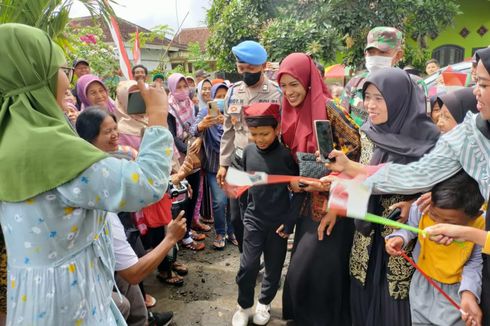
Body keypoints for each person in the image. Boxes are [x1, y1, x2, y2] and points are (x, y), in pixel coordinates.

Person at [0, 23, 174, 325]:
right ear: (33, 73)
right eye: (58, 66)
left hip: (31, 297)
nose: (66, 75)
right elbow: (145, 185)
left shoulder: (9, 137)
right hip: (71, 301)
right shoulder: (51, 148)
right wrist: (158, 116)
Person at [319, 47, 490, 325]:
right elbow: (390, 179)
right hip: (370, 245)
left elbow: (447, 191)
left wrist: (421, 202)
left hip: (410, 255)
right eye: (367, 98)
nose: (370, 105)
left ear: (399, 100)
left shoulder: (432, 141)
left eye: (379, 98)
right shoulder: (368, 136)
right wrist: (343, 187)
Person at [276, 53, 360, 326]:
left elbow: (359, 155)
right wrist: (291, 180)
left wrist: (337, 201)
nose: (289, 92)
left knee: (322, 273)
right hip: (304, 206)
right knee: (304, 272)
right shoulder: (287, 111)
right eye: (284, 85)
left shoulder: (330, 108)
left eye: (294, 84)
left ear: (308, 81)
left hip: (335, 207)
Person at [232, 103, 301, 326]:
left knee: (273, 266)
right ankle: (243, 306)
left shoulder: (286, 156)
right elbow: (243, 183)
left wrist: (290, 220)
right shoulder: (249, 151)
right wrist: (244, 211)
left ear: (277, 129)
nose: (259, 139)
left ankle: (264, 302)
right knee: (248, 265)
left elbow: (299, 190)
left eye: (265, 134)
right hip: (254, 218)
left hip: (278, 222)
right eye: (254, 134)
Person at [385, 171, 484, 326]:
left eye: (449, 222)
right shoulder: (423, 207)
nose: (439, 224)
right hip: (422, 283)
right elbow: (411, 227)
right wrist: (399, 238)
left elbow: (474, 262)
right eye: (434, 216)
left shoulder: (480, 227)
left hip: (456, 291)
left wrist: (468, 293)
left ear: (475, 216)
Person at [217, 40, 282, 252]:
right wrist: (223, 164)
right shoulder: (233, 92)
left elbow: (281, 132)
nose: (245, 73)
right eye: (241, 68)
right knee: (237, 216)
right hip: (237, 161)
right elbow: (228, 131)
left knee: (263, 213)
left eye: (251, 69)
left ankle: (265, 258)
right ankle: (248, 256)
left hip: (264, 162)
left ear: (263, 66)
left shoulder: (275, 94)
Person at [191, 83, 236, 249]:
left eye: (225, 96)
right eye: (218, 96)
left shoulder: (233, 112)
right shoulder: (204, 112)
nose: (221, 99)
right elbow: (193, 130)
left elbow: (242, 132)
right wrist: (202, 126)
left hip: (232, 164)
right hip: (213, 165)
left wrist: (228, 123)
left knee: (232, 200)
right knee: (219, 201)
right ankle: (220, 232)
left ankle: (231, 231)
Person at [167, 73, 205, 251]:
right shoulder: (169, 109)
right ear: (172, 89)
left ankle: (188, 231)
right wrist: (187, 150)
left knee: (194, 194)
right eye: (178, 87)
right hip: (180, 160)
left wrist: (198, 140)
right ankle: (182, 236)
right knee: (182, 199)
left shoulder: (192, 105)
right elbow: (172, 136)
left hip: (194, 158)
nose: (183, 90)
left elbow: (197, 128)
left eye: (185, 86)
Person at [340, 26, 405, 127]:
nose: (376, 57)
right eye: (371, 52)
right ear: (365, 54)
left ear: (398, 55)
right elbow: (342, 122)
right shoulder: (355, 84)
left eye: (383, 52)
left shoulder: (411, 85)